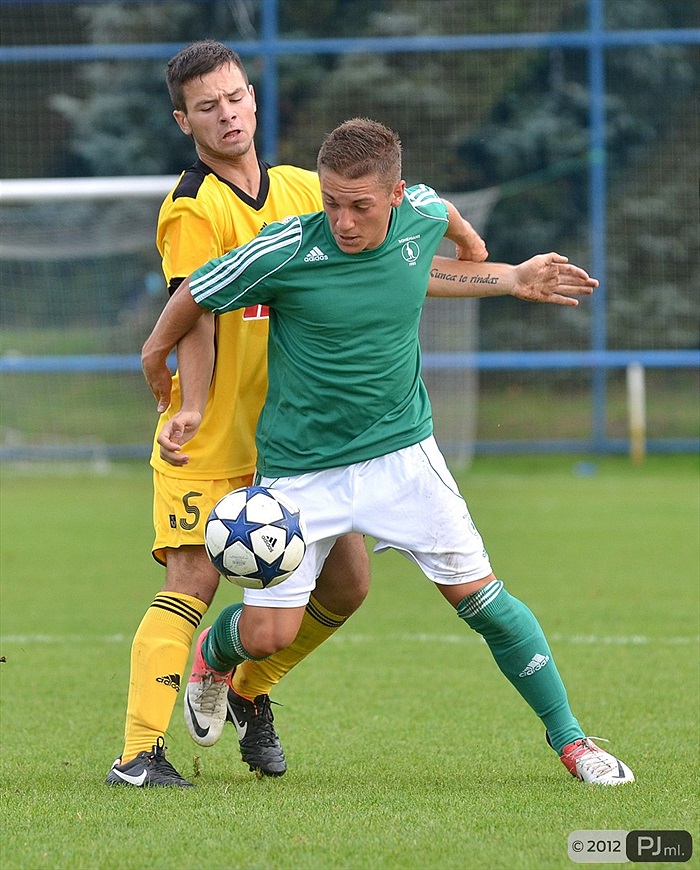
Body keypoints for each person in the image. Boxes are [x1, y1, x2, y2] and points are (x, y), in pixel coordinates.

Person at [141, 117, 634, 786]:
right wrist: (155, 355)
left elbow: (444, 220)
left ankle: (574, 742)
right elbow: (196, 291)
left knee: (483, 600)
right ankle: (215, 655)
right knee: (268, 638)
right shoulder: (286, 248)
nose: (343, 221)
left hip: (402, 456)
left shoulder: (420, 213)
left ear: (396, 195)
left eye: (361, 206)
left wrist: (497, 262)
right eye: (331, 202)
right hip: (299, 472)